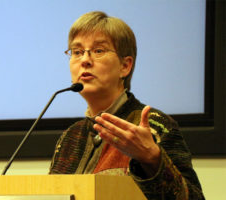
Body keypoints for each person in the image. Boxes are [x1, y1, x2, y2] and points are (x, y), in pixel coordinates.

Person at [49, 11, 205, 199]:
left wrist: (153, 159)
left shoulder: (154, 126)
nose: (85, 60)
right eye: (77, 52)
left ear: (125, 66)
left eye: (98, 51)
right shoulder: (70, 137)